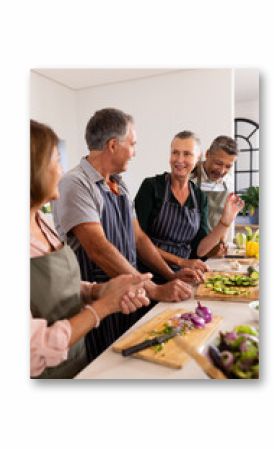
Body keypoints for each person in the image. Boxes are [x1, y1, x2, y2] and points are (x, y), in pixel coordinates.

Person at [53, 108, 198, 360]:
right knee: (104, 365)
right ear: (112, 145)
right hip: (99, 295)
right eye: (132, 144)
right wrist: (153, 290)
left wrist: (170, 274)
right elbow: (98, 248)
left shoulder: (118, 184)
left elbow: (139, 238)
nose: (134, 151)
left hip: (129, 292)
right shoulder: (75, 184)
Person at [30, 119, 151, 379]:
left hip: (78, 361)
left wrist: (98, 290)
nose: (62, 172)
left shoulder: (41, 223)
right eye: (56, 161)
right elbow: (31, 352)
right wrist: (102, 306)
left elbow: (59, 285)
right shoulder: (76, 183)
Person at [134, 130, 244, 277]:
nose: (179, 159)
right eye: (175, 153)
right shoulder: (151, 187)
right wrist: (181, 263)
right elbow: (137, 240)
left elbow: (200, 250)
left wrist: (225, 222)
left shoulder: (199, 197)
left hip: (183, 274)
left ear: (198, 157)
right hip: (149, 275)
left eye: (187, 154)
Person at [191, 135, 239, 234]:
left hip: (216, 242)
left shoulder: (228, 181)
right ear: (207, 154)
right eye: (218, 163)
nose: (222, 171)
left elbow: (225, 219)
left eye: (228, 166)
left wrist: (222, 241)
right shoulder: (189, 176)